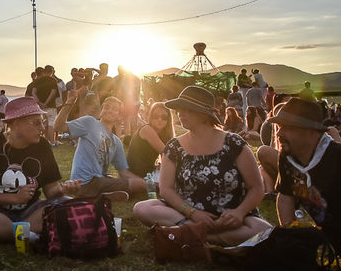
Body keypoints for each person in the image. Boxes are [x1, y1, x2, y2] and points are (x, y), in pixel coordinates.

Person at [133, 86, 271, 246]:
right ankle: (207, 236)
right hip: (186, 214)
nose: (180, 114)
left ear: (205, 114)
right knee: (142, 208)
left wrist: (239, 213)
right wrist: (192, 213)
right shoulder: (174, 147)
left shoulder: (234, 143)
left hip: (230, 217)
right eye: (179, 109)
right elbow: (166, 189)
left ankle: (190, 234)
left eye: (188, 110)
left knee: (263, 229)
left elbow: (257, 187)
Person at [0, 97, 81, 242]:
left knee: (68, 204)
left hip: (31, 212)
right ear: (16, 124)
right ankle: (29, 235)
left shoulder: (42, 146)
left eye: (43, 122)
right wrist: (14, 198)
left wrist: (63, 189)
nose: (42, 128)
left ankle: (10, 232)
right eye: (36, 123)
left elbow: (51, 191)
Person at [273, 98, 341, 248]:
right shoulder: (287, 157)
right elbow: (285, 196)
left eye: (287, 127)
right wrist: (290, 237)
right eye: (279, 127)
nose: (279, 133)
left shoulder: (336, 156)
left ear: (311, 130)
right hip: (325, 240)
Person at [54, 92, 146, 198]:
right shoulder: (90, 123)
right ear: (101, 111)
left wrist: (142, 181)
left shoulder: (116, 142)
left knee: (122, 180)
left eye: (114, 109)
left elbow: (123, 172)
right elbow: (58, 127)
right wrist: (69, 103)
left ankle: (104, 194)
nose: (109, 110)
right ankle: (102, 195)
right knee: (139, 186)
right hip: (84, 182)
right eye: (106, 107)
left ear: (120, 116)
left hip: (100, 180)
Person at [126, 102, 174, 178]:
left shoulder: (163, 135)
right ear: (151, 117)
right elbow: (167, 153)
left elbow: (166, 158)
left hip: (147, 172)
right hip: (135, 174)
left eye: (164, 117)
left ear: (168, 120)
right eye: (156, 116)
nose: (159, 119)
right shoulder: (147, 130)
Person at [32, 66, 59, 144]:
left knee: (44, 124)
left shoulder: (37, 81)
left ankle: (44, 141)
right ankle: (52, 141)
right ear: (51, 72)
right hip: (51, 106)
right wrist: (46, 103)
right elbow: (53, 92)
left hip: (40, 107)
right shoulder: (53, 80)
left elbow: (34, 93)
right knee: (51, 123)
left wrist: (39, 103)